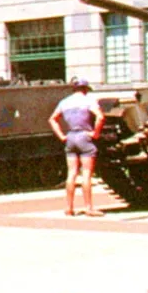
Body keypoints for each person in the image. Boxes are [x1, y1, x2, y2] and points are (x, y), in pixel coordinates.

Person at [49, 77, 104, 216]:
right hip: (84, 136)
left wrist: (62, 136)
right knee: (86, 174)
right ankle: (88, 207)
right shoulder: (88, 100)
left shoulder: (64, 102)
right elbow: (101, 117)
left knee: (71, 174)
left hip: (71, 137)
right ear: (85, 89)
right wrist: (95, 133)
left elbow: (52, 119)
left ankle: (69, 207)